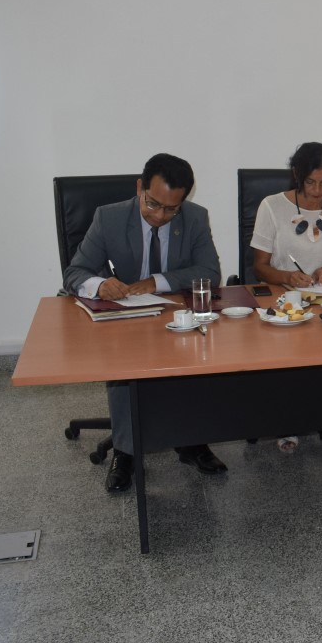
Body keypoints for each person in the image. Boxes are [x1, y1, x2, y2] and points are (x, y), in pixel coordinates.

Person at [64, 152, 225, 493]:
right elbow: (75, 272)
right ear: (140, 188)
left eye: (171, 209)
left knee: (201, 352)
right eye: (153, 204)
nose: (159, 215)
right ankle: (125, 451)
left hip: (172, 313)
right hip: (124, 319)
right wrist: (99, 285)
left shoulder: (195, 218)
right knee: (124, 367)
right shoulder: (108, 218)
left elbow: (210, 273)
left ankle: (192, 441)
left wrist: (156, 282)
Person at [250, 141, 322, 453]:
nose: (317, 191)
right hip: (283, 299)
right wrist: (287, 276)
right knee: (291, 352)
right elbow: (259, 267)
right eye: (311, 182)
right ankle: (289, 421)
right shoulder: (272, 206)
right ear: (297, 175)